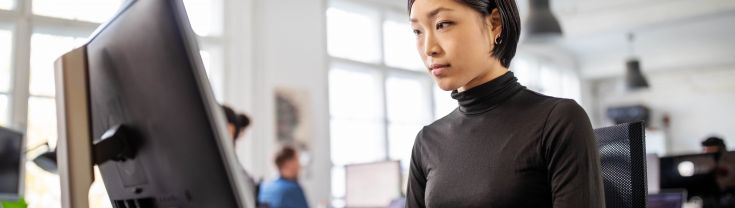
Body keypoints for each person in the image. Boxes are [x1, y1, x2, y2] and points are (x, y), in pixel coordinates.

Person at [405, 0, 604, 207]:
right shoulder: (426, 142)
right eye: (417, 31)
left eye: (442, 24)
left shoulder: (559, 121)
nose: (428, 48)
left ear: (494, 24)